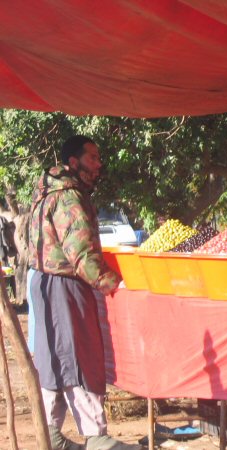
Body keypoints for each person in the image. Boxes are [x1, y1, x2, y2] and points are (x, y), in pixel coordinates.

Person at [28, 135, 140, 450]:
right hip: (64, 286)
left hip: (44, 282)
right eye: (92, 158)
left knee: (54, 358)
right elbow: (81, 253)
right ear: (73, 163)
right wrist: (114, 283)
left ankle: (51, 432)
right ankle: (95, 434)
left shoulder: (47, 190)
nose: (99, 164)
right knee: (78, 356)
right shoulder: (68, 197)